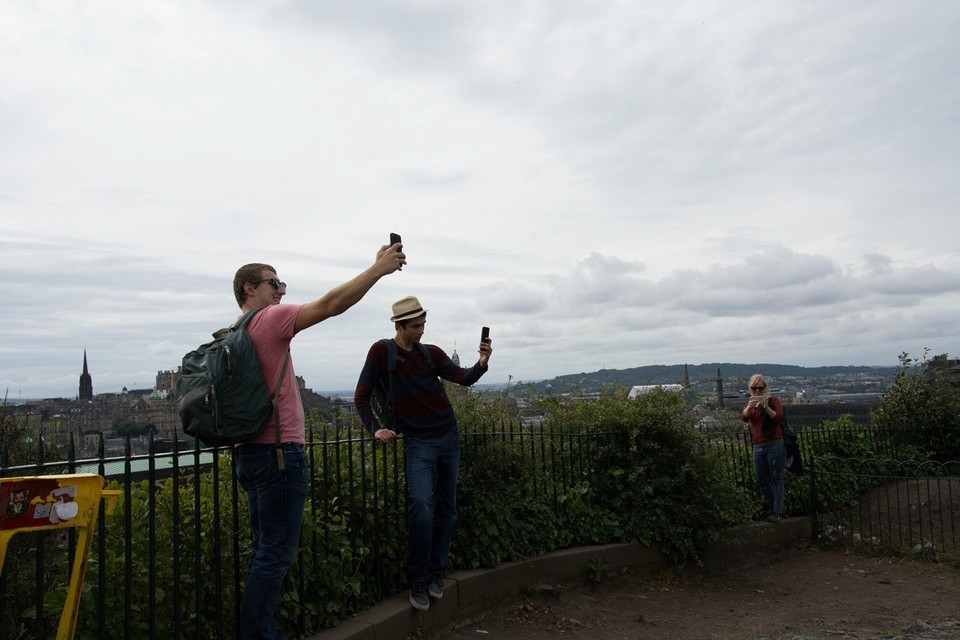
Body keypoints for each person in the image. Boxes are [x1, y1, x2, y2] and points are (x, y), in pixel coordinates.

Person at [233, 243, 405, 640]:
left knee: (263, 551)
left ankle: (259, 630)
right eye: (273, 282)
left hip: (249, 454)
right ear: (248, 288)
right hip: (278, 454)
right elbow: (331, 304)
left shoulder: (235, 330)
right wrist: (377, 269)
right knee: (275, 554)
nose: (281, 290)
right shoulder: (268, 320)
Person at [353, 295, 492, 611]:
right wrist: (374, 428)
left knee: (447, 507)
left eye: (423, 324)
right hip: (418, 442)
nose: (421, 330)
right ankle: (418, 578)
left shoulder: (431, 353)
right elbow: (361, 397)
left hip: (448, 436)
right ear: (399, 326)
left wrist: (482, 363)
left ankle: (435, 573)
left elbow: (462, 378)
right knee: (421, 506)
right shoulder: (381, 352)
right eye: (416, 326)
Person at [741, 373, 785, 523]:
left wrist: (766, 407)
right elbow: (744, 418)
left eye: (760, 388)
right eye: (754, 388)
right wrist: (749, 407)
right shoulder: (750, 404)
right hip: (758, 446)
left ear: (765, 388)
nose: (758, 391)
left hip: (774, 444)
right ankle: (773, 507)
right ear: (750, 389)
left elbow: (778, 417)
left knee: (776, 478)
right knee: (762, 480)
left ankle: (776, 511)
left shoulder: (774, 401)